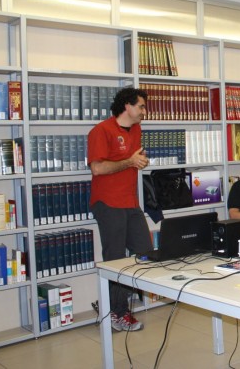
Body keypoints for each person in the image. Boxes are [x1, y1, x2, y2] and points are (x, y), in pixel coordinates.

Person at [88, 87, 152, 332]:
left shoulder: (136, 130)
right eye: (141, 106)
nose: (144, 111)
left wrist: (139, 161)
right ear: (127, 106)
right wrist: (130, 162)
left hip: (130, 202)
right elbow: (97, 168)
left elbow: (132, 161)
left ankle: (110, 302)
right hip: (108, 203)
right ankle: (117, 312)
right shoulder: (101, 130)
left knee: (145, 254)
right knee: (115, 260)